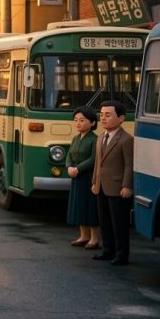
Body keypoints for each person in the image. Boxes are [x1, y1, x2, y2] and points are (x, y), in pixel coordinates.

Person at [91, 100, 134, 266]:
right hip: (101, 186)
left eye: (108, 115)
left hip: (118, 187)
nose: (103, 118)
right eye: (101, 115)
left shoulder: (126, 139)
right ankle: (107, 250)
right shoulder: (101, 136)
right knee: (105, 221)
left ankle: (121, 255)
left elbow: (130, 165)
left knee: (119, 223)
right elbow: (98, 162)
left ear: (121, 118)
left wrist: (127, 185)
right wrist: (95, 182)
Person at [67, 106, 100, 249]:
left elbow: (94, 159)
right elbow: (69, 155)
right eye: (76, 120)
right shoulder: (75, 138)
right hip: (76, 177)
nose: (78, 123)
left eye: (82, 120)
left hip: (88, 177)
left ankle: (94, 238)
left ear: (92, 123)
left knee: (90, 207)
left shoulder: (95, 139)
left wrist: (78, 169)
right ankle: (83, 236)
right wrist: (69, 167)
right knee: (79, 206)